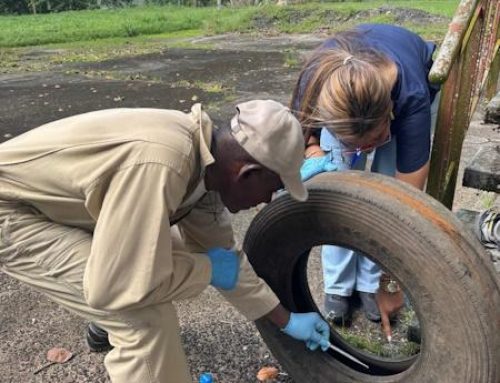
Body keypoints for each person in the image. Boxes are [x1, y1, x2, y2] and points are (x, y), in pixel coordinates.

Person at [0, 100, 331, 383]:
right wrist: (204, 270)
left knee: (163, 254)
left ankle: (103, 324)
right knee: (145, 323)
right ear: (246, 173)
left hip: (66, 208)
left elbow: (224, 259)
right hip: (13, 211)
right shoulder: (163, 164)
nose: (268, 199)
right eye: (272, 187)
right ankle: (112, 324)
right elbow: (114, 285)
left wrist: (286, 320)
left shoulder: (208, 170)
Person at [292, 24, 440, 340]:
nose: (363, 152)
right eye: (355, 146)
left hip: (407, 78)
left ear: (390, 114)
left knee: (387, 187)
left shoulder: (411, 98)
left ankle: (369, 285)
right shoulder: (315, 80)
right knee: (337, 189)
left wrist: (389, 281)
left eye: (372, 141)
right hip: (346, 93)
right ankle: (338, 288)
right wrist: (314, 147)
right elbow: (303, 133)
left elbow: (403, 205)